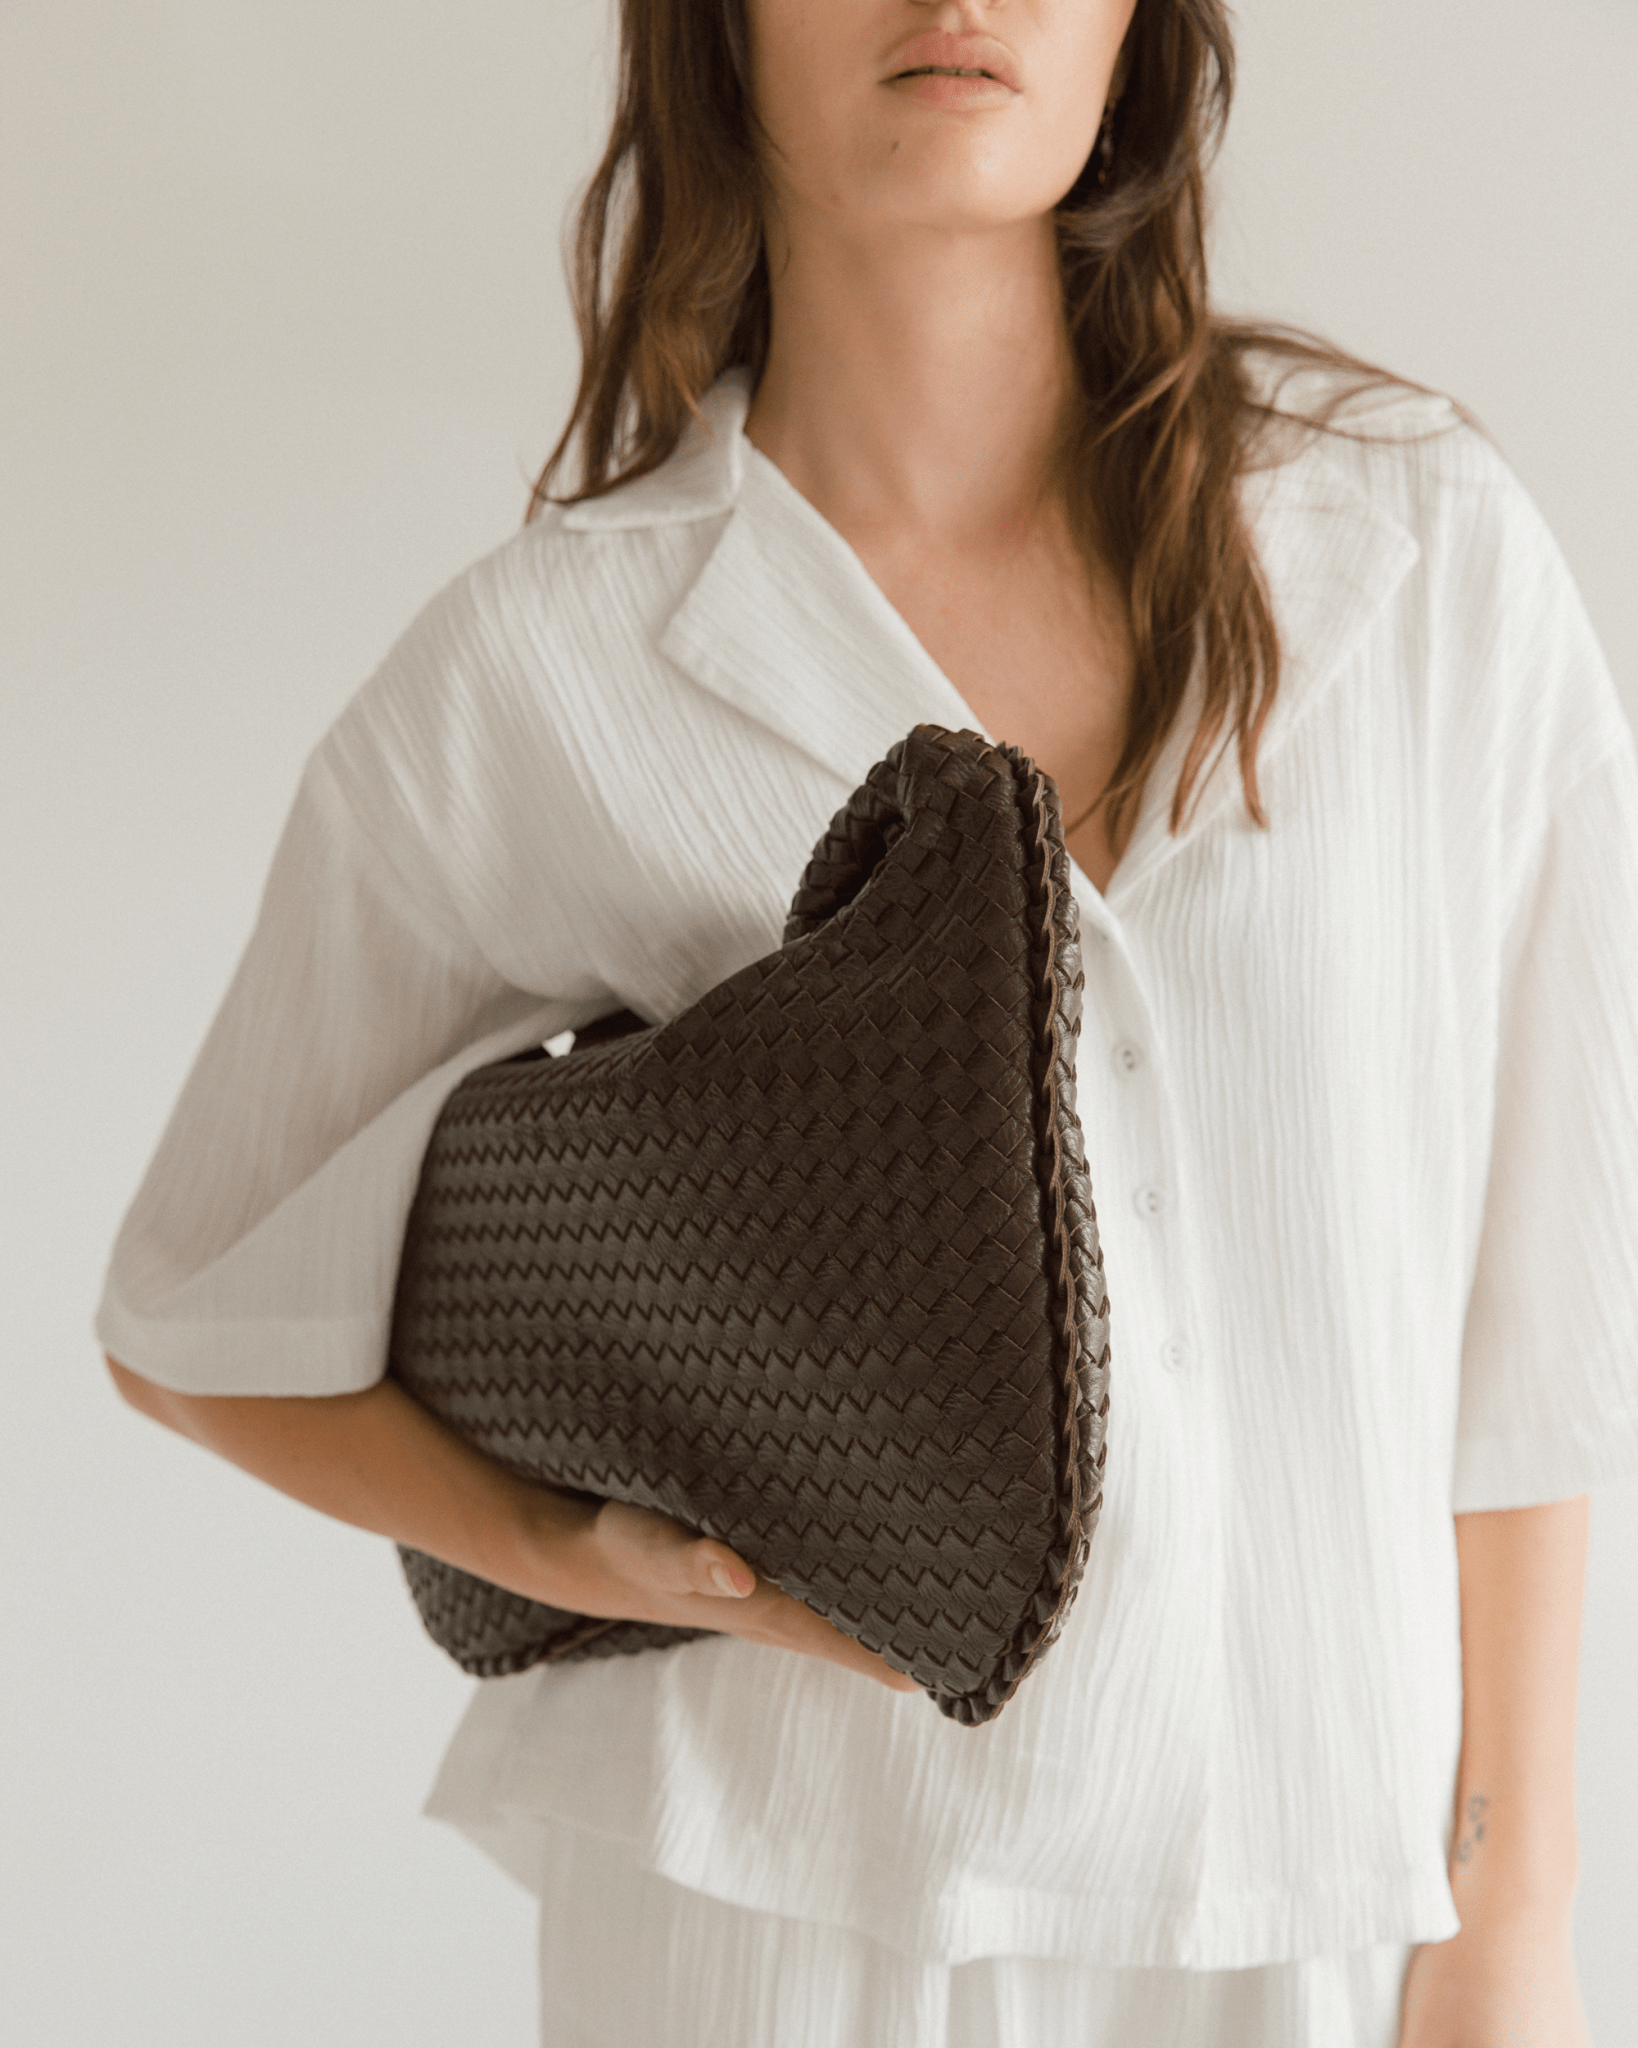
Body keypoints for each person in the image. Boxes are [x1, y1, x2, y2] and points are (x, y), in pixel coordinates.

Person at [97, 0, 1638, 2042]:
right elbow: (195, 1309)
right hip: (770, 1919)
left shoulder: (1417, 553)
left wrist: (1508, 1915)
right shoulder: (554, 665)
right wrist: (574, 1546)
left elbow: (1536, 1314)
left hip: (1331, 1919)